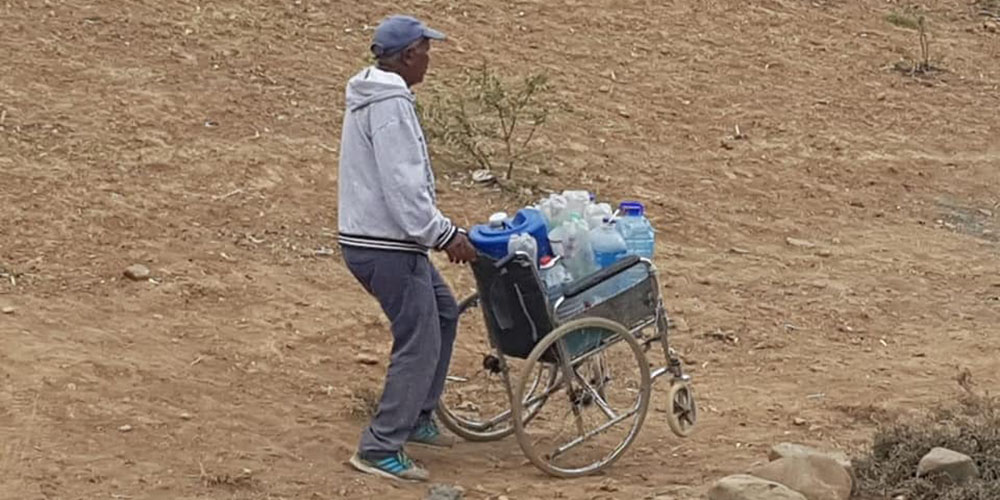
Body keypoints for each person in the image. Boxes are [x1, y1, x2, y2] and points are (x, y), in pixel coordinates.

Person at [336, 14, 477, 482]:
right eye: (426, 51)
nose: (430, 61)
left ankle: (418, 417)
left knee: (442, 314)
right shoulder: (391, 103)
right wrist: (445, 235)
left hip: (374, 239)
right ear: (409, 54)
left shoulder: (373, 94)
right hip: (388, 245)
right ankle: (380, 447)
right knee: (419, 342)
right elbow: (404, 187)